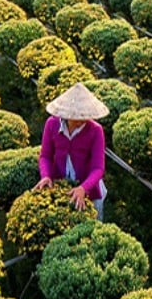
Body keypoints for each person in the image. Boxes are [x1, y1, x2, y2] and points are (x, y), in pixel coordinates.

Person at [35, 82, 109, 220]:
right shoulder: (51, 124)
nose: (81, 120)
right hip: (62, 186)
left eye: (84, 116)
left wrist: (83, 188)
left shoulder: (95, 130)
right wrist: (46, 176)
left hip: (90, 190)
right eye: (77, 117)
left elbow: (98, 168)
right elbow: (45, 156)